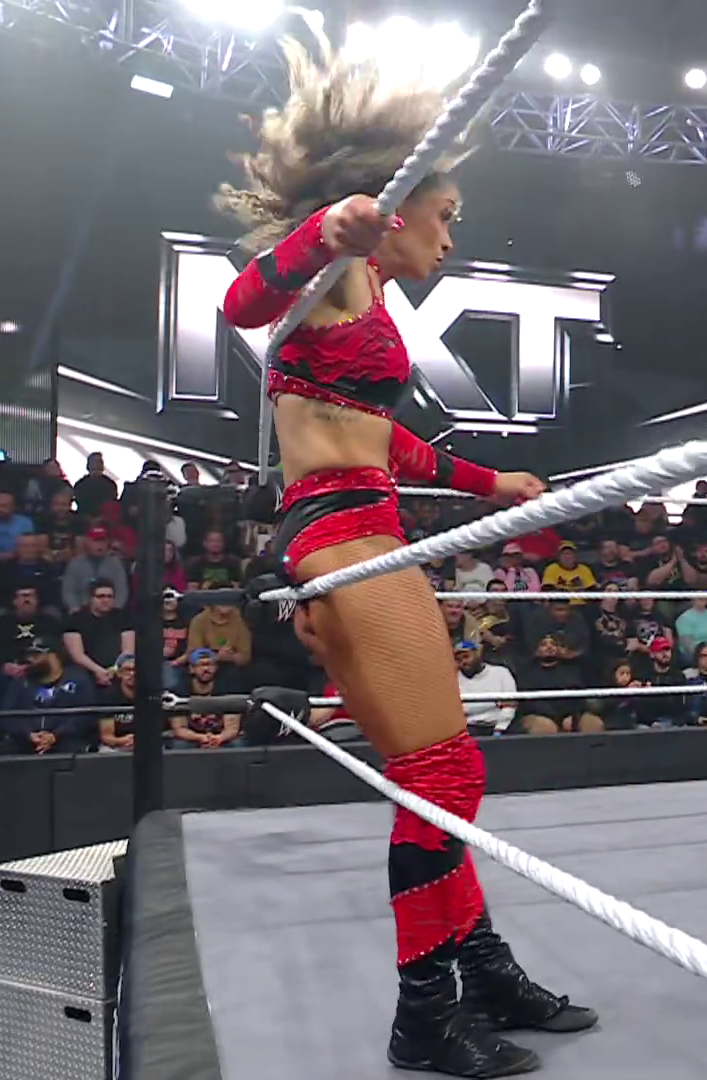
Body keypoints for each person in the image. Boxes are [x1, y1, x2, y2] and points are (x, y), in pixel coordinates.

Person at [216, 39, 593, 1075]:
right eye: (445, 213)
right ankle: (427, 1010)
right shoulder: (337, 271)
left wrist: (489, 484)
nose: (451, 235)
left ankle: (480, 968)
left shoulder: (368, 296)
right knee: (445, 770)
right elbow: (239, 305)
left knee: (430, 775)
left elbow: (377, 436)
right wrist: (325, 232)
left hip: (353, 530)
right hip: (344, 540)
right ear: (394, 208)